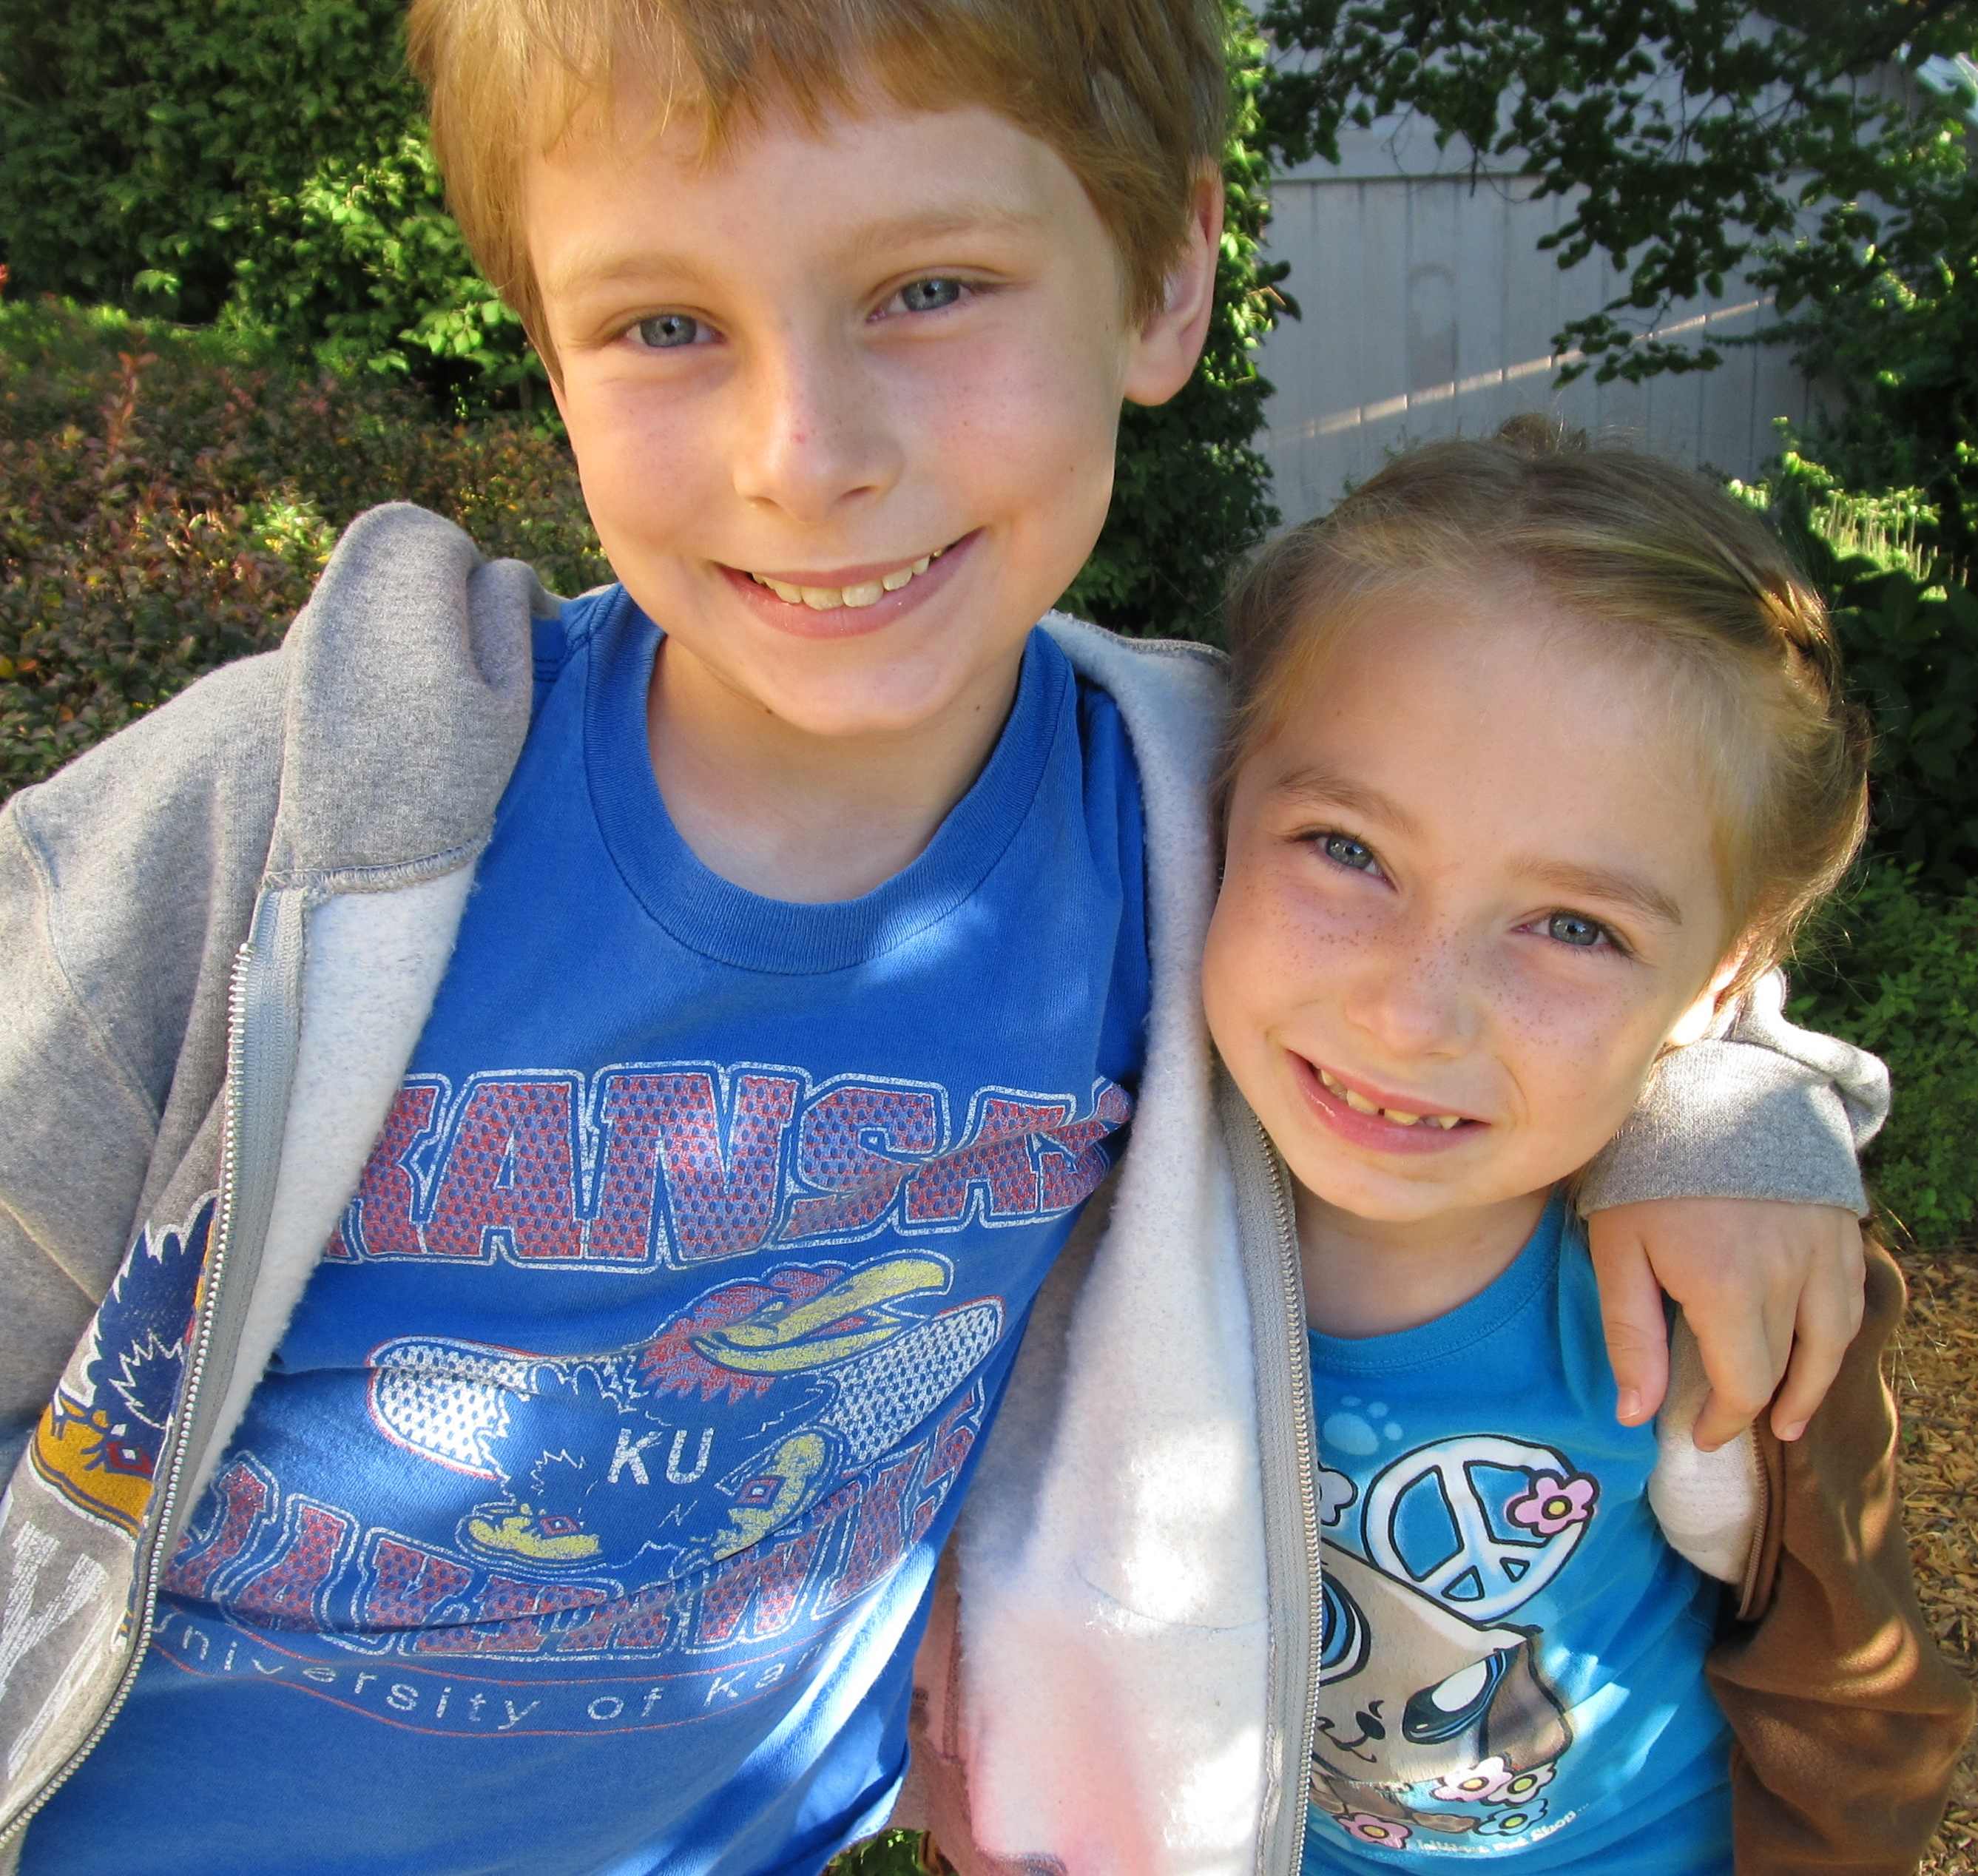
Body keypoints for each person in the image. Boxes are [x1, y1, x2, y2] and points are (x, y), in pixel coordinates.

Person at [0, 0, 1885, 1862]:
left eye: (928, 291)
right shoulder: (294, 816)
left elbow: (1582, 899)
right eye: (664, 325)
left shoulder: (1190, 818)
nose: (802, 453)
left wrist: (1721, 1110)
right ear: (548, 353)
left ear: (1161, 280)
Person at [899, 422, 1971, 1874]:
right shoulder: (1075, 1139)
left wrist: (1747, 1108)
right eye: (1345, 848)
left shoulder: (1709, 1291)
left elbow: (1848, 1683)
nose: (1408, 1011)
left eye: (1572, 927)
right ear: (1215, 803)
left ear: (1715, 980)